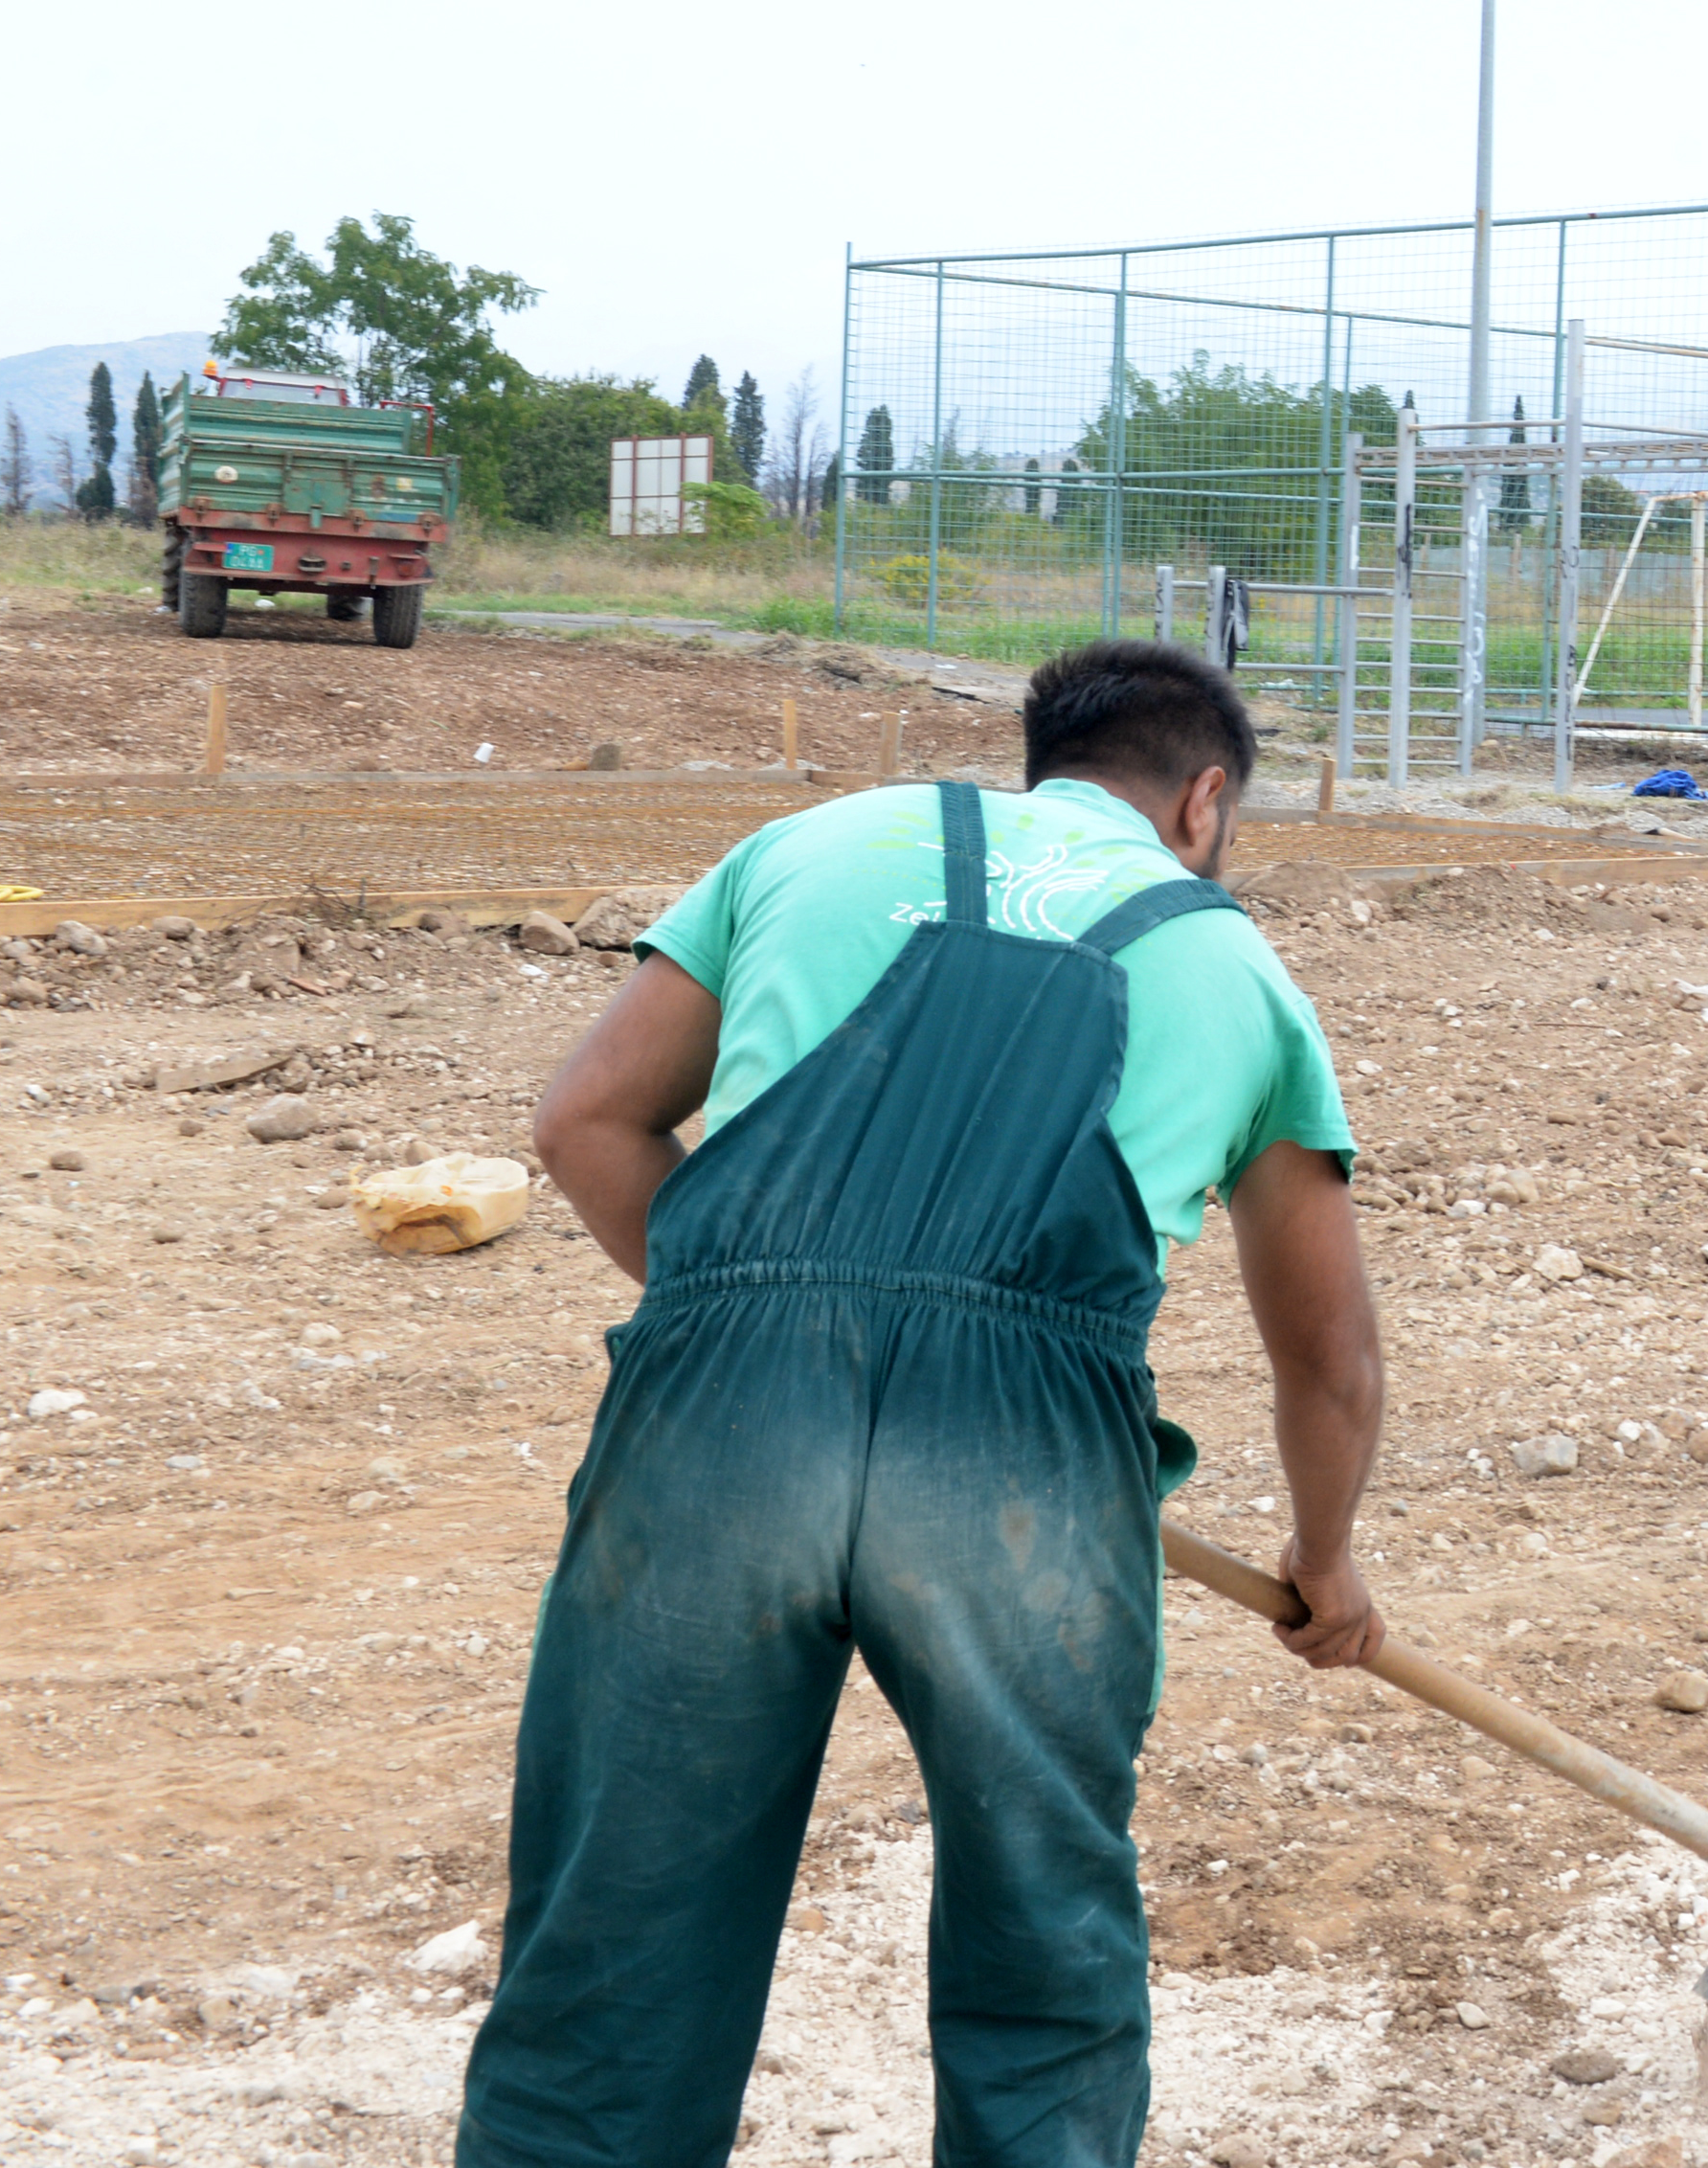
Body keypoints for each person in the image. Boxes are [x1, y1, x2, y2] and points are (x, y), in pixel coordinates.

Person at [461, 640, 1381, 2168]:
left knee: (617, 1930)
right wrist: (1326, 1561)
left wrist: (732, 1309)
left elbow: (583, 1123)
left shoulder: (807, 847)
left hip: (721, 1426)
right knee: (1042, 1951)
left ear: (1046, 759)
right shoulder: (1234, 968)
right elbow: (1328, 1352)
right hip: (1020, 1468)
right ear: (1203, 801)